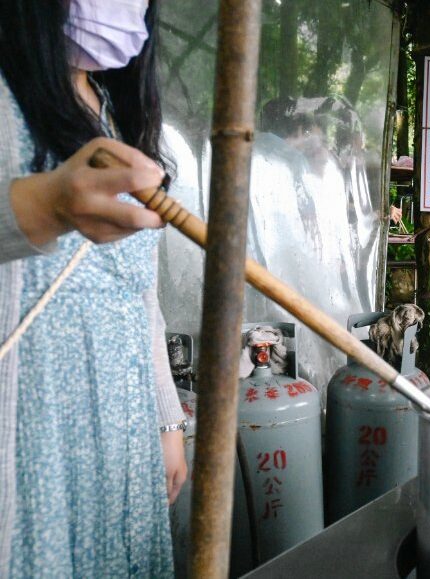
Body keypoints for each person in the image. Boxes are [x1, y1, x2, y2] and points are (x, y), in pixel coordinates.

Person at [0, 1, 186, 576]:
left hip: (123, 421)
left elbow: (139, 293)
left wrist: (167, 419)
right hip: (34, 423)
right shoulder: (8, 102)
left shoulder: (116, 114)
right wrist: (48, 202)